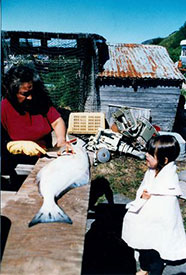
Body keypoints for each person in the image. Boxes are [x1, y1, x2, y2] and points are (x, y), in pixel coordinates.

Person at [122, 135, 186, 275]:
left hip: (158, 224)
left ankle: (154, 271)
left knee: (156, 249)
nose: (146, 155)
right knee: (144, 245)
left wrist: (150, 196)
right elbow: (144, 188)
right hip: (146, 221)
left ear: (164, 160)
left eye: (151, 154)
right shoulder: (151, 172)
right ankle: (144, 268)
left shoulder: (168, 182)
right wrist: (142, 196)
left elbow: (165, 209)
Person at [1, 65, 72, 181]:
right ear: (12, 93)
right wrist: (11, 146)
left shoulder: (41, 101)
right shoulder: (3, 108)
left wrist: (61, 140)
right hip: (15, 162)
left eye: (32, 92)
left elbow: (57, 121)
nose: (30, 97)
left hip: (44, 157)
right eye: (24, 94)